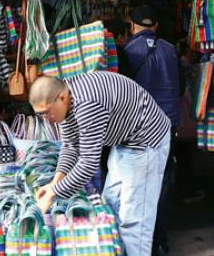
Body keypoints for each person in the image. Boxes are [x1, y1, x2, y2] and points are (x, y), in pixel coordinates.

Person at [29, 72, 171, 256]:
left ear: (62, 98)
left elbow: (88, 164)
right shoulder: (65, 99)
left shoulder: (87, 105)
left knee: (134, 221)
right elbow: (72, 146)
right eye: (40, 115)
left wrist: (53, 195)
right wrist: (54, 184)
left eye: (46, 112)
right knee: (110, 205)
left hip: (145, 142)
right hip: (123, 141)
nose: (45, 119)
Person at [120, 4, 181, 256]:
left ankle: (140, 244)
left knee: (136, 187)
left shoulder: (126, 52)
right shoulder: (171, 51)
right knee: (162, 184)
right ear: (155, 26)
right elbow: (181, 87)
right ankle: (160, 239)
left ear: (132, 26)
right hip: (168, 126)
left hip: (138, 128)